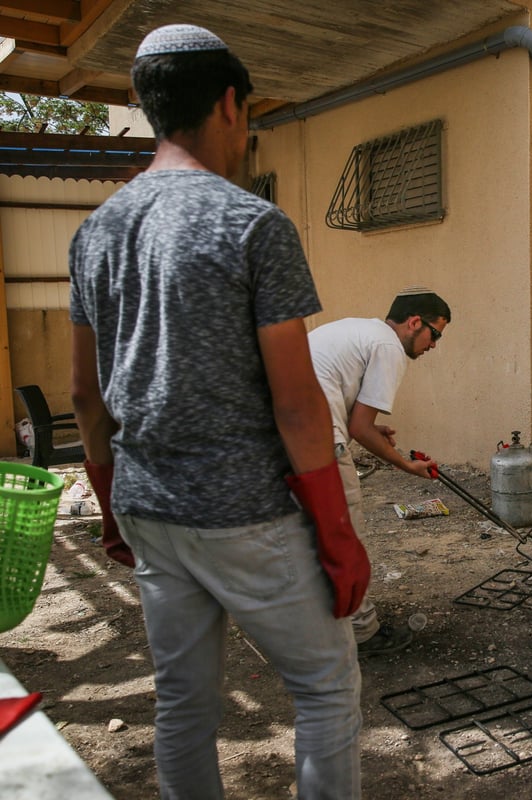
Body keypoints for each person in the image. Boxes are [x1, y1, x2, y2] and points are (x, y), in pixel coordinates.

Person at [69, 24, 367, 799]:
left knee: (183, 703)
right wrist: (338, 537)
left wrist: (109, 505)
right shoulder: (253, 225)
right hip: (246, 516)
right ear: (230, 103)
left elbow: (83, 395)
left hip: (150, 509)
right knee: (326, 689)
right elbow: (299, 405)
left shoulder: (95, 232)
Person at [307, 289, 450, 654]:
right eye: (435, 334)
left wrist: (371, 432)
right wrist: (406, 464)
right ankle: (362, 632)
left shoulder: (359, 330)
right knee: (345, 538)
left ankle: (311, 625)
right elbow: (359, 428)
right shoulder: (388, 347)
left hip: (280, 438)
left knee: (307, 537)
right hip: (316, 443)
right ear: (414, 322)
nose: (433, 345)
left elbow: (353, 413)